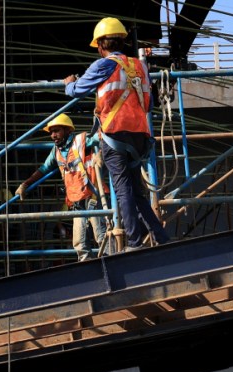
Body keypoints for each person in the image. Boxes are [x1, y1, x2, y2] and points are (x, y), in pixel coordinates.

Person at [63, 17, 170, 250]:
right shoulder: (140, 67)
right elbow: (149, 104)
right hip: (140, 137)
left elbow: (77, 91)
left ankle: (134, 242)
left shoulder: (103, 65)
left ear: (101, 44)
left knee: (123, 190)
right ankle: (161, 237)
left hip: (115, 137)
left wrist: (69, 83)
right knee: (137, 192)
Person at [16, 113, 108, 261]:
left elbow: (105, 137)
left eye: (57, 131)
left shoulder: (81, 140)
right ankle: (88, 271)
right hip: (77, 202)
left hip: (92, 196)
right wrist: (25, 184)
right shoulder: (56, 151)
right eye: (51, 132)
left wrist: (101, 154)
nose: (53, 135)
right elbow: (44, 169)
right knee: (79, 243)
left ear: (67, 130)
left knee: (102, 235)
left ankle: (113, 263)